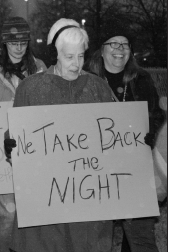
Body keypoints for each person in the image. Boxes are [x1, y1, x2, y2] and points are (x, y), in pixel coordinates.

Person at [4, 18, 116, 252]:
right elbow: (17, 131)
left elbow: (115, 135)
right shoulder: (31, 89)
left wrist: (135, 140)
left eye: (81, 56)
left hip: (87, 197)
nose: (76, 64)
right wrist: (10, 143)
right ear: (56, 54)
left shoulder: (98, 89)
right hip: (46, 198)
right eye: (69, 57)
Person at [0, 16, 47, 252]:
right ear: (4, 42)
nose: (18, 46)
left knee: (33, 215)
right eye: (13, 41)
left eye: (23, 40)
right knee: (8, 214)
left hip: (32, 153)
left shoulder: (40, 68)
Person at [88, 20, 165, 252]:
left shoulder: (141, 80)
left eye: (125, 44)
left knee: (140, 240)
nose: (120, 49)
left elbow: (156, 115)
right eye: (114, 43)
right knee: (96, 238)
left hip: (135, 170)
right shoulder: (86, 81)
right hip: (96, 172)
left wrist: (151, 131)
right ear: (101, 49)